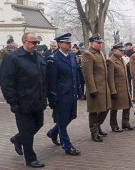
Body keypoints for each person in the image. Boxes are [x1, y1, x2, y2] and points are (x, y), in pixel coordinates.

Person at [0, 32, 47, 168]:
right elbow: (6, 82)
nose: (36, 45)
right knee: (27, 131)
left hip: (37, 100)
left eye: (37, 42)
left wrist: (45, 97)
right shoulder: (13, 58)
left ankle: (18, 139)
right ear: (24, 41)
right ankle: (30, 158)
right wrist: (13, 102)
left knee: (38, 124)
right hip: (22, 102)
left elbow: (43, 79)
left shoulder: (38, 57)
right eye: (33, 42)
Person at [46, 33, 82, 156]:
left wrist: (79, 90)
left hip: (71, 93)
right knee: (62, 120)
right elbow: (51, 81)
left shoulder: (71, 56)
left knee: (71, 116)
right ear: (60, 44)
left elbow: (75, 74)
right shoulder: (53, 58)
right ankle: (67, 145)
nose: (69, 44)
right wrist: (52, 97)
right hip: (61, 95)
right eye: (67, 43)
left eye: (70, 42)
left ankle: (52, 132)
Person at [82, 35, 112, 142]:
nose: (100, 45)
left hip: (104, 88)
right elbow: (88, 74)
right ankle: (94, 132)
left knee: (106, 108)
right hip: (95, 88)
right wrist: (92, 89)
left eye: (101, 43)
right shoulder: (88, 54)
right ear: (91, 43)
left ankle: (98, 126)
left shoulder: (100, 53)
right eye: (98, 43)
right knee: (94, 111)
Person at [107, 43, 135, 132]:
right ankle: (114, 125)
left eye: (123, 50)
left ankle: (125, 123)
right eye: (120, 50)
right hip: (117, 89)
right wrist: (113, 91)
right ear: (114, 50)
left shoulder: (121, 59)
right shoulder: (111, 61)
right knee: (114, 108)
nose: (123, 52)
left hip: (125, 88)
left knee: (127, 106)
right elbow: (110, 78)